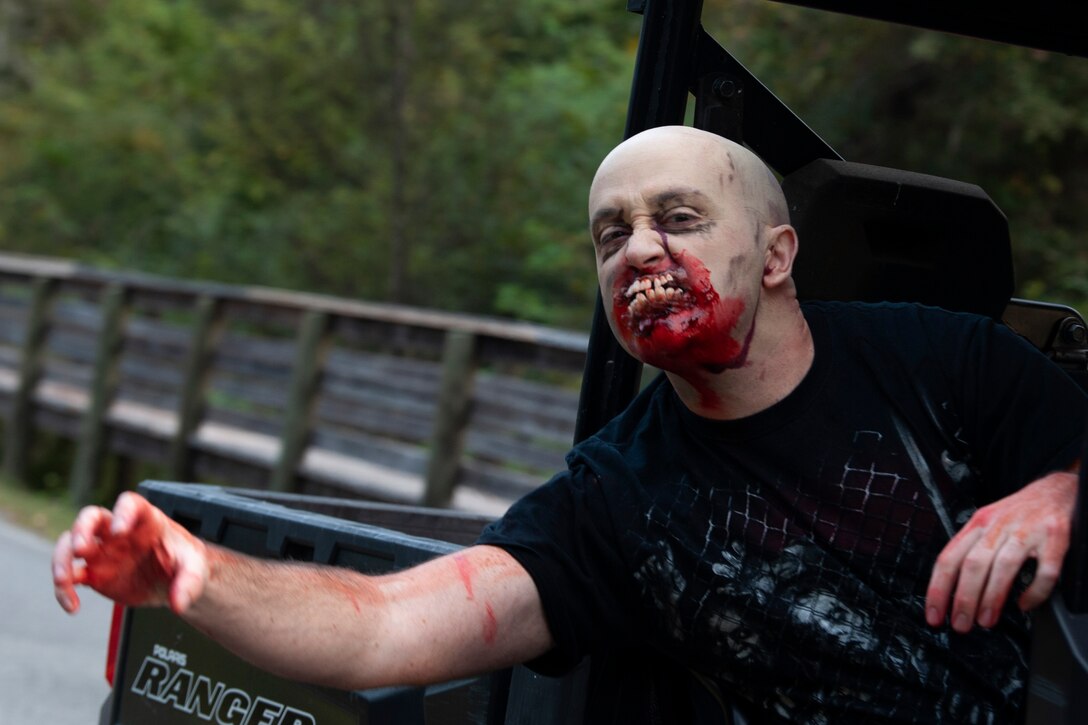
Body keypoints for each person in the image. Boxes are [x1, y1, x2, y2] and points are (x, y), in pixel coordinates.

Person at [54, 126, 1085, 722]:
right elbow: (387, 625)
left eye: (677, 219)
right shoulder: (616, 496)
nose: (636, 251)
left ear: (775, 257)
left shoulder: (939, 359)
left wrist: (1058, 488)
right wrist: (193, 575)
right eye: (609, 234)